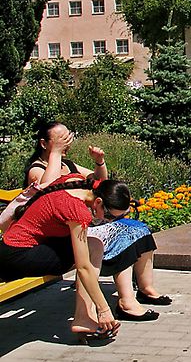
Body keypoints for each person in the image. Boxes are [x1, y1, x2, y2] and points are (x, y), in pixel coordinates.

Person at [3, 122, 170, 321]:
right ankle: (120, 303)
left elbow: (100, 186)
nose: (66, 142)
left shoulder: (70, 168)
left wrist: (100, 162)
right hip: (39, 242)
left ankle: (141, 290)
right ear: (44, 143)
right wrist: (55, 154)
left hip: (63, 231)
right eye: (60, 138)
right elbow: (48, 188)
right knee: (114, 239)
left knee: (135, 229)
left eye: (68, 136)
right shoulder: (39, 169)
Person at [0, 177, 131, 343]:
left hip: (10, 250)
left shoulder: (75, 182)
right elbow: (83, 267)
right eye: (109, 216)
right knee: (90, 251)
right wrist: (104, 309)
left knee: (94, 244)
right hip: (18, 257)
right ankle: (83, 318)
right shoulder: (76, 210)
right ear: (98, 202)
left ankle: (83, 317)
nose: (107, 220)